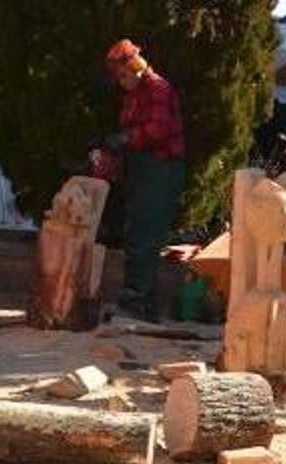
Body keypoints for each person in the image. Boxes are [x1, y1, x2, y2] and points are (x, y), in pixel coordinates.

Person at [103, 39, 186, 322]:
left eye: (123, 76)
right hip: (144, 171)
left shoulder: (157, 88)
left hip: (160, 169)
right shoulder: (134, 94)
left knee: (144, 236)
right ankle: (144, 302)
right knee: (138, 233)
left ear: (135, 67)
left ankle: (136, 298)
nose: (121, 83)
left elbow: (158, 128)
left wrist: (126, 138)